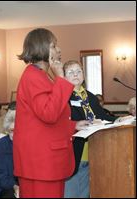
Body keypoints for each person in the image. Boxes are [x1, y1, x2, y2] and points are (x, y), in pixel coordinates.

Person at [13, 28, 88, 198]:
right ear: (41, 48)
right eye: (54, 46)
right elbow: (49, 114)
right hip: (41, 163)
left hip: (45, 162)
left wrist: (74, 125)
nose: (59, 50)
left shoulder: (42, 76)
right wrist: (61, 79)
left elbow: (45, 120)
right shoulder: (33, 76)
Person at [62, 60, 125, 198]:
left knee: (85, 193)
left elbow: (102, 115)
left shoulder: (90, 96)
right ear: (64, 76)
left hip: (94, 150)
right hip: (72, 150)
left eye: (79, 71)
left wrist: (118, 120)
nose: (75, 74)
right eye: (70, 72)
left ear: (83, 75)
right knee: (71, 192)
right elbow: (61, 121)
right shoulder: (62, 96)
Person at [0, 102, 19, 198]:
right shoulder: (2, 145)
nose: (14, 134)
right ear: (7, 129)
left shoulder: (28, 144)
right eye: (11, 130)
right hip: (3, 187)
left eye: (17, 129)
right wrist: (15, 186)